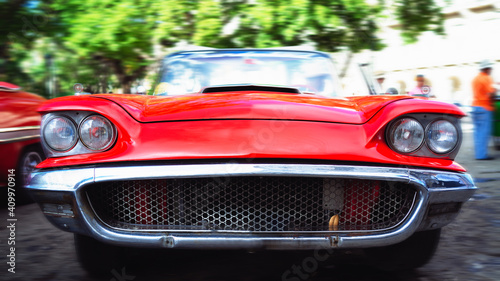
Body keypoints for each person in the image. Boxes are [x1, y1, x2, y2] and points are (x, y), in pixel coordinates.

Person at [471, 59, 496, 160]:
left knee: (477, 132)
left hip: (475, 107)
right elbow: (491, 94)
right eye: (490, 68)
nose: (491, 70)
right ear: (486, 69)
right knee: (484, 132)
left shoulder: (475, 79)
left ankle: (479, 154)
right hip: (484, 107)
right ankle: (482, 155)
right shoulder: (487, 78)